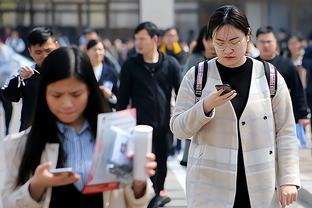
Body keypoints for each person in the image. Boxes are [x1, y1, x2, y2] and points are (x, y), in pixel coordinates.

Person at [170, 5, 300, 208]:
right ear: (210, 39)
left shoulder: (269, 76)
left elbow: (286, 131)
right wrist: (206, 105)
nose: (227, 49)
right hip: (210, 186)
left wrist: (289, 178)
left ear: (248, 36)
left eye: (234, 41)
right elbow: (178, 128)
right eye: (219, 42)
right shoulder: (197, 76)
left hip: (260, 185)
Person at [1, 46, 156, 208]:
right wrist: (36, 186)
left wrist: (139, 182)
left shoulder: (116, 136)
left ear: (90, 91)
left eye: (76, 94)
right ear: (43, 93)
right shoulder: (19, 145)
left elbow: (137, 202)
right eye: (57, 95)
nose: (67, 104)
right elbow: (8, 202)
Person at [117, 21, 181, 208]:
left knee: (161, 161)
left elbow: (181, 92)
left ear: (155, 39)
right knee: (142, 163)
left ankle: (158, 193)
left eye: (142, 39)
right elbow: (123, 98)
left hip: (163, 125)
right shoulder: (130, 65)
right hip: (139, 127)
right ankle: (150, 196)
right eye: (136, 39)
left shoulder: (170, 64)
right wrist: (121, 126)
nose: (138, 43)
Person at [1, 27, 59, 131]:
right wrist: (20, 78)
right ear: (30, 51)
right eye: (38, 52)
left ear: (57, 46)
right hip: (31, 135)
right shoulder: (26, 73)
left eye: (48, 51)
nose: (44, 56)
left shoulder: (66, 72)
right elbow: (10, 96)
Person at [255, 26, 310, 135]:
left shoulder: (287, 64)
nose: (266, 45)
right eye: (262, 42)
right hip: (257, 117)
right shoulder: (252, 64)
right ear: (256, 43)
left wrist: (302, 115)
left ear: (275, 42)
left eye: (269, 41)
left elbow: (297, 90)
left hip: (282, 115)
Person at [180, 25, 217, 166]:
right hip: (197, 108)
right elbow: (185, 84)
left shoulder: (224, 59)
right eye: (208, 39)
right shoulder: (194, 59)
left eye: (215, 40)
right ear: (202, 41)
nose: (212, 44)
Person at [86, 39, 119, 109]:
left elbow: (119, 98)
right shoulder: (82, 71)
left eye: (100, 49)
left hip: (106, 114)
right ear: (87, 51)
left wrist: (110, 96)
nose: (97, 52)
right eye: (94, 49)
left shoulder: (111, 72)